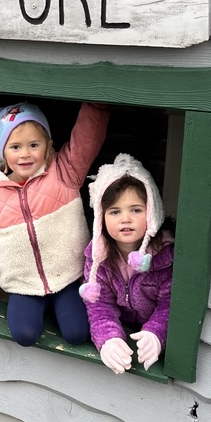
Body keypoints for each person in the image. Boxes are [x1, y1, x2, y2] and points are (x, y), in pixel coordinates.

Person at [0, 100, 110, 346]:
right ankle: (41, 305)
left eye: (34, 145)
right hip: (23, 282)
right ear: (3, 152)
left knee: (77, 333)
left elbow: (85, 142)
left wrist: (97, 104)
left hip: (68, 276)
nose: (25, 154)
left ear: (48, 147)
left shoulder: (65, 172)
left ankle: (57, 304)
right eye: (15, 147)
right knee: (24, 335)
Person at [80, 153, 174, 374]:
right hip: (125, 330)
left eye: (136, 210)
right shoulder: (98, 259)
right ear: (101, 219)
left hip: (149, 339)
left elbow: (170, 304)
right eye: (114, 211)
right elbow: (100, 305)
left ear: (152, 213)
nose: (125, 219)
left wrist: (156, 333)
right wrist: (109, 339)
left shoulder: (164, 257)